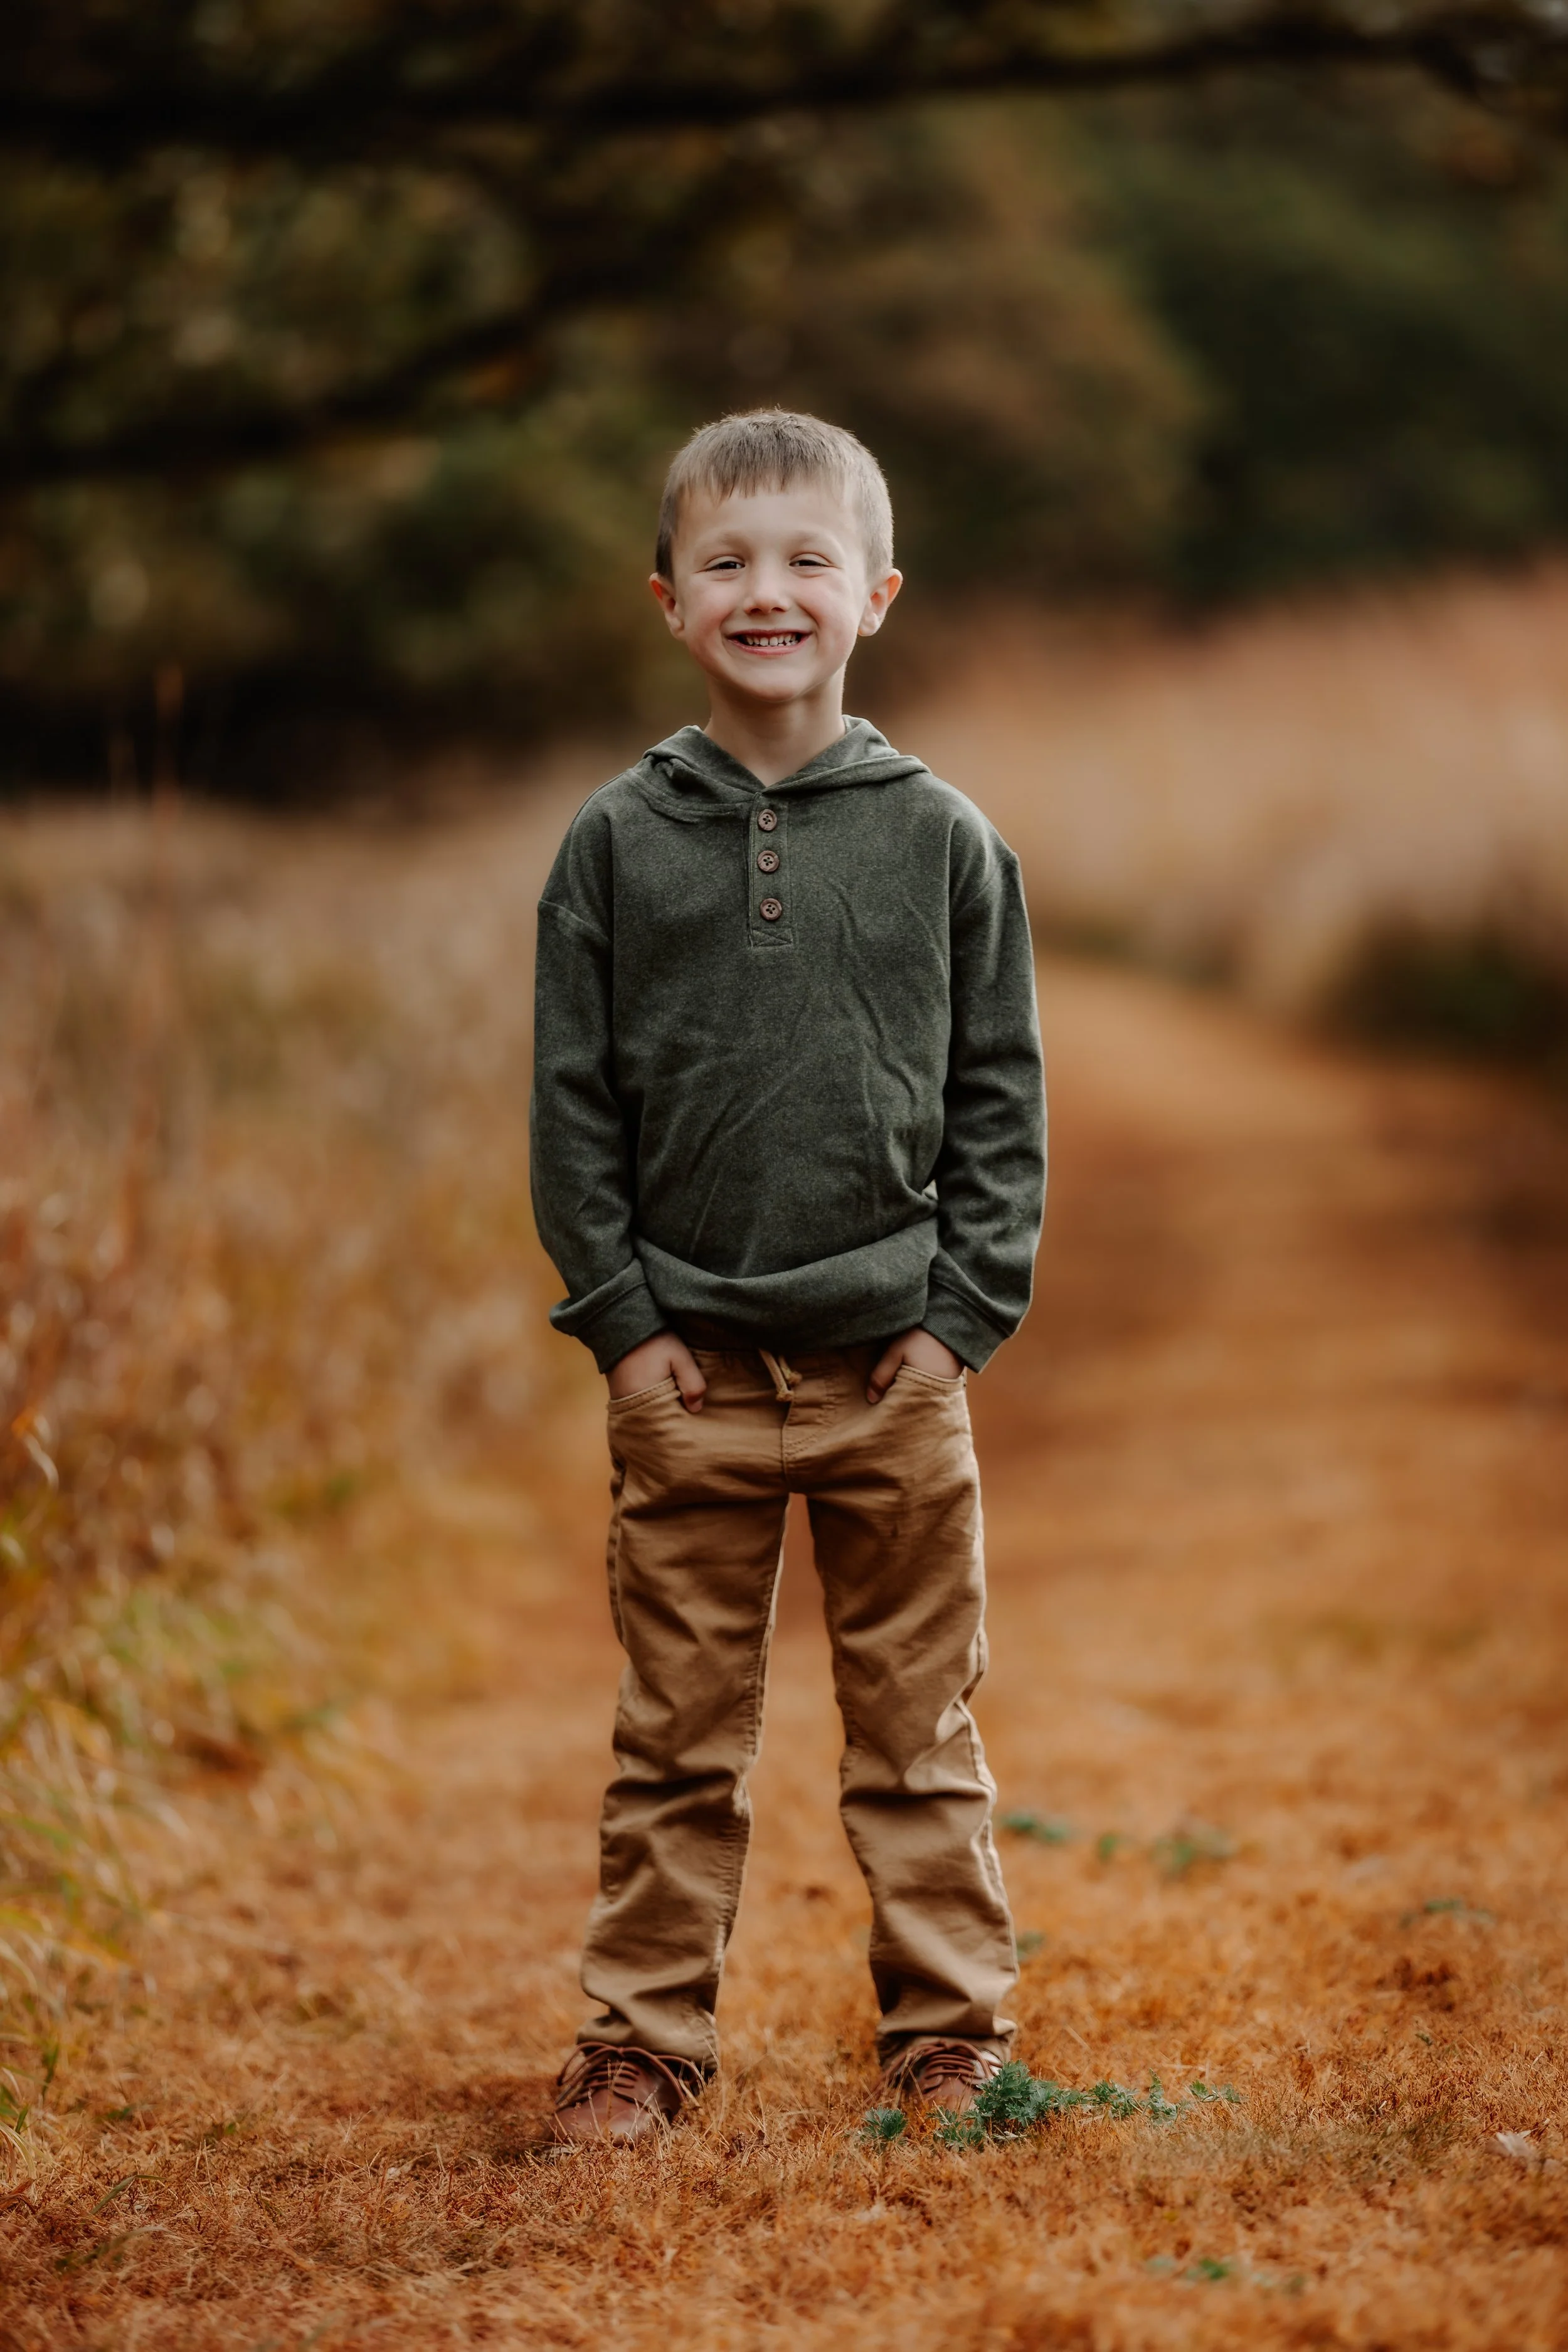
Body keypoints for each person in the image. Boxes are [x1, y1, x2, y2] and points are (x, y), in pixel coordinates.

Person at [529, 409, 1046, 2144]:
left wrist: (955, 1316)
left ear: (875, 593)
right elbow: (573, 1102)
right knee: (676, 1735)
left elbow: (997, 1093)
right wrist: (621, 1321)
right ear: (667, 597)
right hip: (686, 1374)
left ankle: (949, 2035)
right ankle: (642, 2045)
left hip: (887, 1371)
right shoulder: (615, 842)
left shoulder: (943, 839)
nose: (769, 591)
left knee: (915, 1726)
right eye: (728, 562)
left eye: (807, 558)